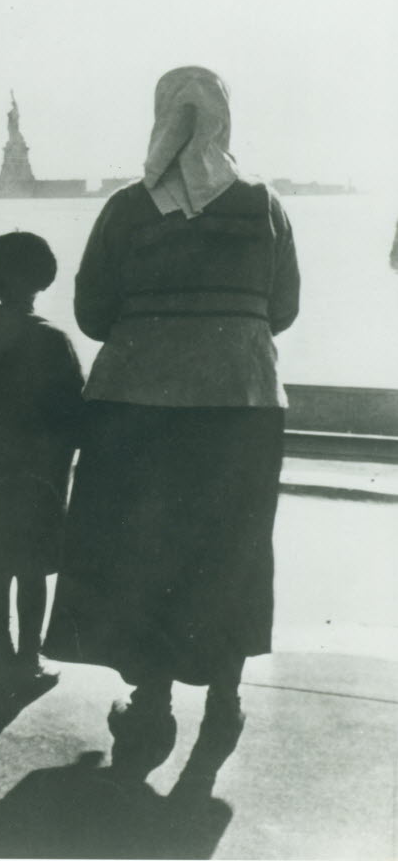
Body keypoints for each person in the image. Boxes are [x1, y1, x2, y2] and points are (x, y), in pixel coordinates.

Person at [44, 66, 300, 776]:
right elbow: (282, 309)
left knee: (141, 548)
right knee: (231, 545)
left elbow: (92, 313)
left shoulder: (128, 208)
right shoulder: (263, 206)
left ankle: (149, 699)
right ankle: (224, 696)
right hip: (240, 404)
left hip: (136, 406)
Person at [0, 233, 84, 693]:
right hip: (40, 472)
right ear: (45, 280)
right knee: (32, 568)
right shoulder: (54, 341)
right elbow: (75, 413)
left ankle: (0, 659)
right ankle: (28, 659)